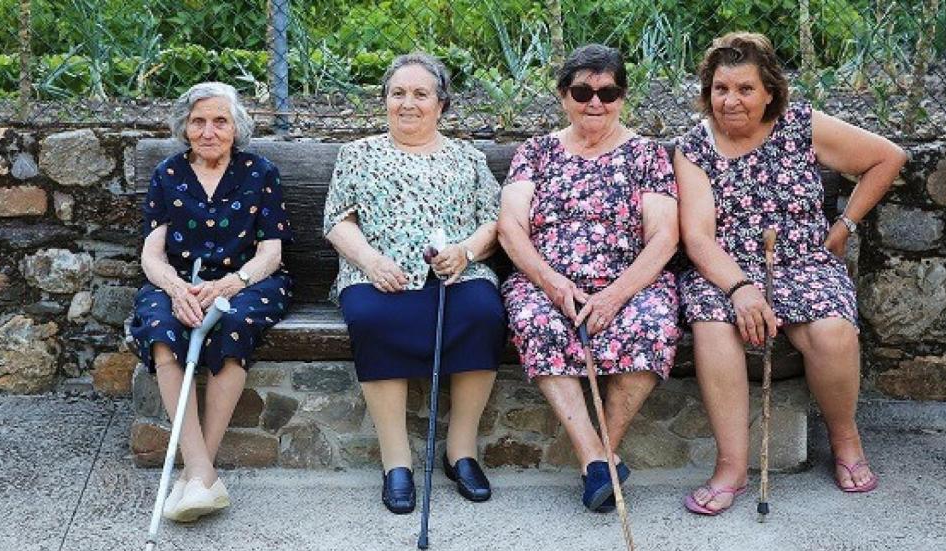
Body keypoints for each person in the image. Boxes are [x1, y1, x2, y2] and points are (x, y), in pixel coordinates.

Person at [676, 32, 907, 515]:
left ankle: (846, 444)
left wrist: (845, 224)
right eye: (721, 89)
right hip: (725, 269)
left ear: (769, 92)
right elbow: (698, 238)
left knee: (832, 331)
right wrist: (740, 288)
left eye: (744, 89)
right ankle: (731, 466)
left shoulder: (801, 124)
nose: (731, 100)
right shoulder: (693, 147)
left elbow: (888, 157)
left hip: (803, 260)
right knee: (714, 328)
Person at [497, 44, 681, 512]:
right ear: (563, 96)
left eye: (608, 92)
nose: (595, 103)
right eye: (582, 92)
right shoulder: (536, 153)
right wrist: (553, 283)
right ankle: (596, 459)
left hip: (629, 281)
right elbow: (511, 228)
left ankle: (595, 460)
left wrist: (615, 296)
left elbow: (663, 238)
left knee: (654, 323)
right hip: (548, 281)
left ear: (622, 96)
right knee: (537, 320)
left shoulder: (647, 156)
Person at [323, 53, 506, 514]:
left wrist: (465, 251)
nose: (407, 103)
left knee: (484, 313)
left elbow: (495, 222)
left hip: (456, 271)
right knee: (370, 316)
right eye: (397, 93)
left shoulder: (468, 157)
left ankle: (460, 451)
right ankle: (396, 461)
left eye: (420, 94)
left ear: (441, 104)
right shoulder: (358, 155)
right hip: (379, 272)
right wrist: (370, 260)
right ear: (384, 101)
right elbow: (337, 222)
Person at [130, 81, 294, 522]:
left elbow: (271, 253)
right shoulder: (167, 174)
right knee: (162, 331)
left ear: (236, 128)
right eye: (198, 121)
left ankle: (195, 473)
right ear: (184, 128)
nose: (208, 131)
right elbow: (152, 252)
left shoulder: (260, 172)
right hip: (179, 281)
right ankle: (202, 471)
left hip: (249, 282)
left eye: (220, 121)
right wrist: (176, 288)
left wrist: (232, 283)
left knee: (233, 324)